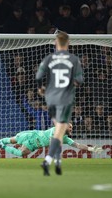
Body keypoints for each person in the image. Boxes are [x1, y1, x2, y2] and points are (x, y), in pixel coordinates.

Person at [35, 31, 83, 176]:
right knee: (60, 130)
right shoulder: (73, 59)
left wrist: (40, 88)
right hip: (65, 98)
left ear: (56, 43)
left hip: (51, 98)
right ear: (68, 43)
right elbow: (80, 80)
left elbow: (38, 76)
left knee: (59, 131)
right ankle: (48, 160)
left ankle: (57, 161)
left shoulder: (49, 58)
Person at [0, 123, 103, 157]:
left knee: (20, 154)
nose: (71, 128)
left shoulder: (65, 138)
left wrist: (91, 148)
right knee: (12, 140)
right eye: (70, 127)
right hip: (31, 136)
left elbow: (77, 145)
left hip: (34, 145)